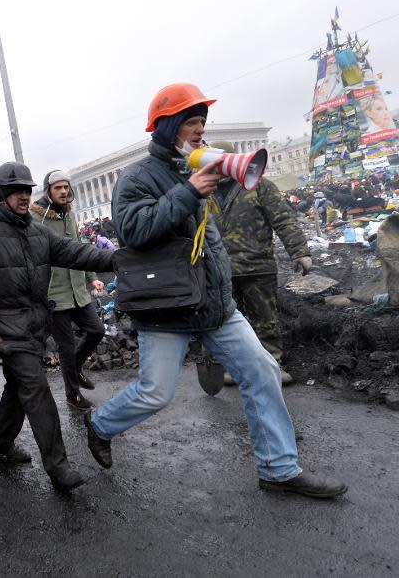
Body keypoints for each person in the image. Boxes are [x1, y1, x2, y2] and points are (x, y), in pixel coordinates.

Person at [84, 82, 347, 499]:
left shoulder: (199, 165)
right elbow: (133, 232)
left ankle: (278, 468)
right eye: (190, 122)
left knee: (262, 371)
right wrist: (188, 191)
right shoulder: (137, 177)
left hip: (214, 302)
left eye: (202, 122)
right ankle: (99, 425)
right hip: (167, 305)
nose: (199, 130)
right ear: (167, 127)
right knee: (156, 393)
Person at [0, 162, 114, 492]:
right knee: (37, 390)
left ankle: (0, 443)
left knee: (18, 387)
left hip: (34, 328)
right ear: (0, 194)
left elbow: (74, 253)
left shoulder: (37, 231)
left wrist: (115, 259)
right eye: (16, 190)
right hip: (7, 330)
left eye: (27, 190)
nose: (23, 196)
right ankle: (58, 467)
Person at [210, 141, 312, 386]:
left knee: (265, 319)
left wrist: (299, 251)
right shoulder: (204, 192)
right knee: (229, 323)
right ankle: (236, 368)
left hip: (257, 267)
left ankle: (272, 365)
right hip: (221, 271)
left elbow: (283, 219)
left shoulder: (258, 184)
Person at [29, 170, 106, 411]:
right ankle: (73, 394)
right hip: (54, 295)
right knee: (66, 347)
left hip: (78, 290)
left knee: (96, 330)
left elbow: (80, 249)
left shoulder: (69, 214)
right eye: (58, 188)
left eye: (66, 187)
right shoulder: (35, 218)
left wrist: (92, 277)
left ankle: (76, 368)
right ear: (48, 191)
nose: (63, 191)